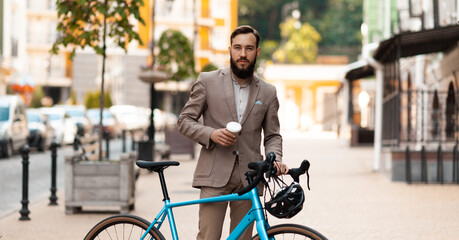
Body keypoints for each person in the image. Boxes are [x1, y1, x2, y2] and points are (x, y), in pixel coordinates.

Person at [177, 25, 288, 240]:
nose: (243, 54)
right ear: (230, 50)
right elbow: (184, 121)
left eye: (249, 48)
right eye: (237, 48)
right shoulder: (207, 81)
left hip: (250, 178)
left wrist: (276, 158)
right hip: (213, 175)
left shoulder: (268, 91)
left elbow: (273, 135)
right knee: (208, 237)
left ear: (257, 51)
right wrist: (211, 134)